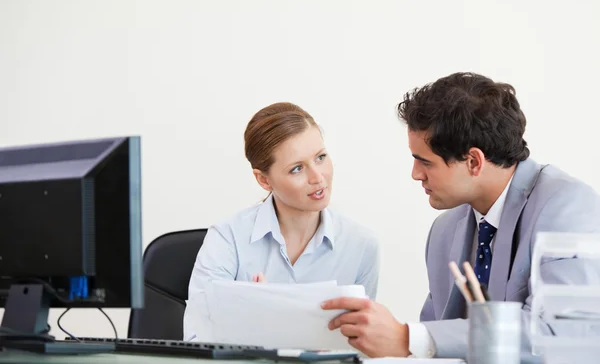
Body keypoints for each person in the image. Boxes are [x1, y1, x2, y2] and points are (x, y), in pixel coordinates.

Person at [321, 72, 600, 359]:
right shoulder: (444, 231)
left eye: (424, 162)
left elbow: (557, 333)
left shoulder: (567, 207)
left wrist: (408, 336)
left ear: (474, 161)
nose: (415, 174)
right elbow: (434, 346)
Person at [184, 102, 380, 341]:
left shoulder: (361, 245)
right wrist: (257, 316)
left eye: (320, 157)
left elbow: (361, 344)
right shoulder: (228, 238)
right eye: (297, 169)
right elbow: (198, 339)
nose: (318, 177)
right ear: (264, 180)